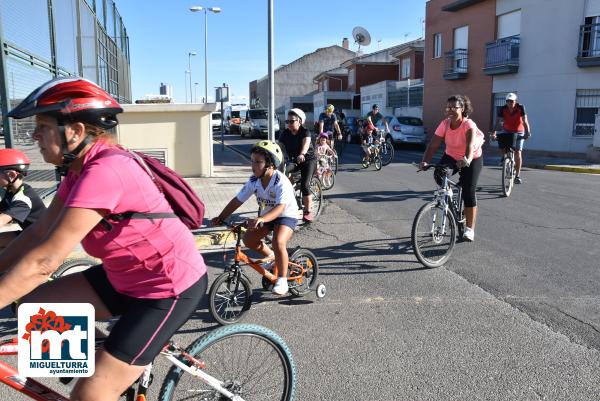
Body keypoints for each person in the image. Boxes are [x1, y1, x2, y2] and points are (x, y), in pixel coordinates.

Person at [1, 77, 207, 401]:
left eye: (42, 126)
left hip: (167, 286)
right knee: (33, 308)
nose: (34, 135)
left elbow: (45, 262)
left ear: (76, 131)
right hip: (123, 276)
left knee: (88, 395)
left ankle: (105, 380)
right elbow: (39, 232)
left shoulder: (106, 171)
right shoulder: (80, 169)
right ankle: (110, 371)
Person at [211, 141, 297, 295]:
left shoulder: (280, 182)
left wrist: (262, 219)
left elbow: (280, 208)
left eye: (258, 162)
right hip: (267, 217)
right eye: (252, 161)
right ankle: (272, 256)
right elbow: (238, 200)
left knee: (279, 242)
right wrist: (221, 217)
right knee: (248, 239)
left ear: (270, 164)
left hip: (285, 216)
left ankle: (283, 280)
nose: (253, 165)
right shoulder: (254, 181)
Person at [419, 94, 484, 242]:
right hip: (451, 155)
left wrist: (466, 159)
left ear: (463, 109)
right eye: (448, 107)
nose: (450, 109)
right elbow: (433, 145)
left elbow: (469, 146)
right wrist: (424, 161)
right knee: (439, 172)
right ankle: (448, 192)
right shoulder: (445, 124)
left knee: (468, 191)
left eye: (454, 107)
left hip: (472, 157)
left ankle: (469, 229)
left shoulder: (469, 125)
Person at [0, 149, 46, 250]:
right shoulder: (11, 191)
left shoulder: (23, 198)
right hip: (30, 234)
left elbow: (2, 220)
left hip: (42, 241)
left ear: (11, 175)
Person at [278, 108, 317, 222]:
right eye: (287, 121)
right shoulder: (285, 133)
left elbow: (306, 145)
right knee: (282, 176)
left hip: (308, 160)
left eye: (292, 121)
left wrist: (302, 154)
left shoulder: (305, 132)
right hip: (294, 160)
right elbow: (279, 147)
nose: (289, 124)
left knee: (305, 185)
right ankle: (290, 200)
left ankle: (308, 211)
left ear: (299, 121)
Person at [491, 92, 531, 184]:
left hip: (519, 131)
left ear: (515, 101)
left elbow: (525, 121)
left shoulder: (521, 107)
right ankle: (505, 158)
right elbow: (498, 122)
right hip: (507, 130)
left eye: (511, 101)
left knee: (518, 152)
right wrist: (494, 133)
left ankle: (517, 176)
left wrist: (527, 133)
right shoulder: (503, 109)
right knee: (503, 146)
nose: (509, 103)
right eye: (508, 101)